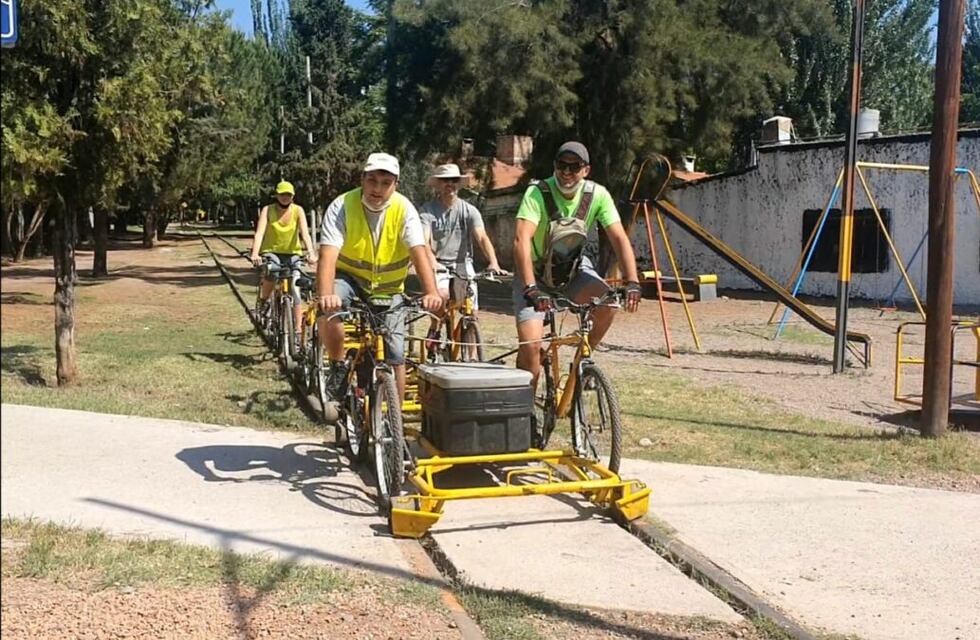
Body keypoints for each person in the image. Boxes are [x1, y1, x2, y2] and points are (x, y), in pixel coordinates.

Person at [512, 141, 642, 388]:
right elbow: (521, 240)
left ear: (586, 170)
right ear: (555, 167)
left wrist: (632, 281)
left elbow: (619, 239)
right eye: (562, 165)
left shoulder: (598, 195)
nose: (567, 172)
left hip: (572, 271)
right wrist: (530, 287)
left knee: (609, 304)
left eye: (575, 166)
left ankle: (581, 362)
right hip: (534, 274)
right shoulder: (537, 193)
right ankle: (524, 412)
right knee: (531, 350)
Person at [316, 152, 442, 400]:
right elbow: (327, 257)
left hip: (389, 288)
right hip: (349, 279)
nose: (377, 189)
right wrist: (326, 295)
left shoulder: (405, 209)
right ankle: (338, 365)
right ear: (362, 179)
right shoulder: (341, 206)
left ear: (396, 185)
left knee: (395, 354)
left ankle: (394, 418)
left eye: (386, 183)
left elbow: (419, 253)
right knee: (329, 310)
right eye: (372, 181)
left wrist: (432, 292)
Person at [419, 163, 505, 348]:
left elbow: (481, 236)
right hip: (438, 262)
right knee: (440, 295)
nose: (449, 184)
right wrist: (432, 261)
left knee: (471, 308)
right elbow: (423, 242)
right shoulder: (427, 211)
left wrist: (493, 262)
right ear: (437, 185)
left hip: (462, 262)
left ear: (458, 184)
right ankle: (435, 327)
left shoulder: (469, 210)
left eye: (453, 180)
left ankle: (471, 355)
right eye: (444, 181)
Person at [250, 180, 318, 343]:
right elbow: (259, 233)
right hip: (271, 252)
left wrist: (310, 253)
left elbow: (305, 234)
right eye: (282, 194)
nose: (285, 197)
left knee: (295, 289)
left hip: (293, 253)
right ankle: (264, 301)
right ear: (277, 195)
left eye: (288, 194)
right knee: (272, 274)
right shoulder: (268, 210)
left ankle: (297, 329)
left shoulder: (298, 211)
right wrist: (255, 253)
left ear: (293, 196)